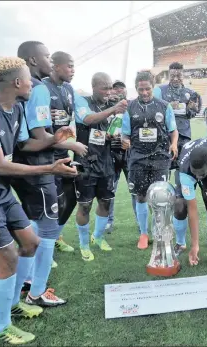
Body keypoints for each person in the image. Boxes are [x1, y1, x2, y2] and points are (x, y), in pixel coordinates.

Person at [0, 57, 77, 344]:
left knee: (30, 243)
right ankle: (2, 325)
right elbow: (0, 166)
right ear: (17, 82)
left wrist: (53, 140)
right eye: (28, 79)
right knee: (8, 258)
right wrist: (50, 168)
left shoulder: (17, 107)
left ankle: (14, 306)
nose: (32, 83)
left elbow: (25, 144)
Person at [12, 42, 80, 307]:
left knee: (33, 223)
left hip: (22, 166)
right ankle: (37, 292)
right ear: (32, 60)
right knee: (49, 227)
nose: (50, 61)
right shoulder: (39, 88)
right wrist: (64, 140)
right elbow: (39, 135)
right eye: (47, 56)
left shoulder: (27, 91)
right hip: (37, 167)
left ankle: (28, 280)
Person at [72, 72, 128, 261]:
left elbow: (111, 130)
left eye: (110, 87)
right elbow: (88, 120)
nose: (108, 91)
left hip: (106, 161)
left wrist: (115, 136)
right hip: (85, 162)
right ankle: (84, 244)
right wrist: (113, 109)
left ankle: (98, 237)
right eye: (104, 87)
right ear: (94, 86)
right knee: (85, 206)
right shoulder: (82, 101)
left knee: (105, 202)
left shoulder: (110, 105)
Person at [121, 71, 178, 249]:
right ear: (136, 88)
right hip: (138, 158)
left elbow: (173, 130)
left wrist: (174, 144)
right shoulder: (130, 108)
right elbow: (125, 132)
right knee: (140, 196)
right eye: (140, 89)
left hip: (160, 157)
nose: (144, 92)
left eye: (147, 89)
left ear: (153, 87)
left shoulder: (164, 106)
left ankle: (159, 230)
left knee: (160, 196)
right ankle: (144, 233)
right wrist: (125, 140)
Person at [42, 51, 89, 254]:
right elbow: (39, 135)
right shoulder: (42, 88)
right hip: (43, 155)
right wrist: (73, 145)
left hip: (62, 153)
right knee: (49, 204)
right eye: (69, 66)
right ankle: (43, 246)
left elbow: (84, 116)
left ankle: (53, 238)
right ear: (56, 66)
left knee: (69, 198)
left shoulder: (69, 89)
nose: (73, 70)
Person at [173, 130, 207, 269]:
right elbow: (193, 211)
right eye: (196, 174)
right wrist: (195, 245)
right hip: (186, 170)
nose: (199, 177)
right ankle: (180, 243)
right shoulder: (186, 171)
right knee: (179, 206)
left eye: (201, 174)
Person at [153, 62, 202, 199]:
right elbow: (153, 111)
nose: (175, 78)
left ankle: (180, 196)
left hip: (184, 137)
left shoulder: (191, 94)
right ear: (169, 75)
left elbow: (191, 114)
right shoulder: (160, 90)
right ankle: (163, 197)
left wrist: (190, 108)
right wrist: (168, 106)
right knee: (163, 169)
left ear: (183, 75)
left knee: (182, 169)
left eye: (178, 75)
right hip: (164, 137)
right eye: (172, 75)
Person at [105, 80, 138, 234]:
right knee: (110, 190)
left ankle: (140, 223)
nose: (118, 91)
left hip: (130, 154)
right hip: (112, 152)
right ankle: (108, 222)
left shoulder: (132, 106)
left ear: (126, 90)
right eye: (115, 88)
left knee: (135, 190)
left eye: (121, 88)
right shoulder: (106, 106)